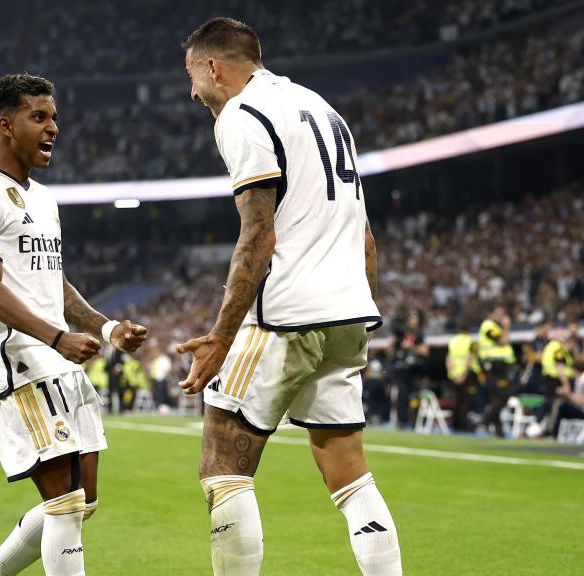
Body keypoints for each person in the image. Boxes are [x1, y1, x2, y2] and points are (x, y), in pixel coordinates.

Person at [176, 18, 401, 576]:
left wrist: (222, 337)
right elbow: (364, 231)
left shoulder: (242, 115)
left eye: (191, 77)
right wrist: (359, 315)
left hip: (286, 311)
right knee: (349, 472)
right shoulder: (323, 109)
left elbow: (258, 231)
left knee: (223, 465)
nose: (191, 92)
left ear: (213, 68)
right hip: (346, 309)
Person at [0, 73, 148, 576]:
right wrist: (56, 337)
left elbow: (53, 283)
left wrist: (106, 329)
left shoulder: (44, 198)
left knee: (85, 502)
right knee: (65, 503)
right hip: (21, 363)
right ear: (6, 124)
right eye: (39, 117)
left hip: (57, 363)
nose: (53, 127)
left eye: (54, 117)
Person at [478, 305, 516, 437]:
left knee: (496, 398)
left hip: (499, 365)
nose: (501, 316)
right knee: (503, 396)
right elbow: (503, 341)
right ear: (491, 313)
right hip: (494, 366)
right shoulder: (489, 326)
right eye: (499, 313)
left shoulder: (496, 327)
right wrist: (507, 326)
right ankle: (485, 420)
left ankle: (498, 431)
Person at [446, 321, 481, 432]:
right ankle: (463, 425)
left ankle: (455, 425)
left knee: (456, 400)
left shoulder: (452, 341)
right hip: (466, 374)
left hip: (454, 374)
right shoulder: (471, 341)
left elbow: (449, 358)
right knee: (465, 401)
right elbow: (469, 358)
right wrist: (464, 374)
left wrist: (452, 373)